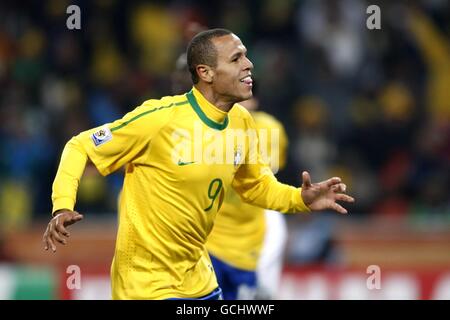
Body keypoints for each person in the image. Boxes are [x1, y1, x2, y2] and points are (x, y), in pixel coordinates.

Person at [43, 28, 354, 300]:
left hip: (199, 281)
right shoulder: (160, 119)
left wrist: (300, 199)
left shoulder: (242, 122)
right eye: (236, 59)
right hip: (146, 286)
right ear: (205, 73)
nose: (249, 65)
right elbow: (80, 145)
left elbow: (257, 187)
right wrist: (62, 204)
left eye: (245, 56)